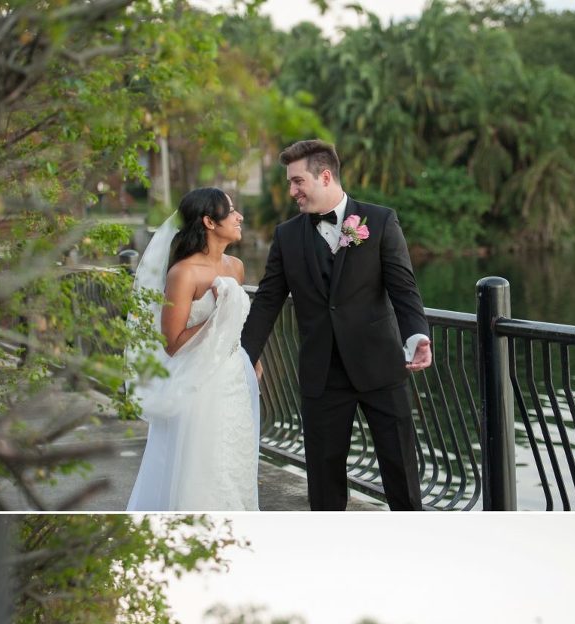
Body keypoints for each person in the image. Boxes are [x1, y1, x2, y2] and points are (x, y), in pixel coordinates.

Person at [241, 139, 431, 511]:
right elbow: (267, 300)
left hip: (380, 368)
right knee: (325, 487)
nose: (292, 191)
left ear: (324, 176)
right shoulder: (286, 236)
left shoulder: (379, 220)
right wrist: (243, 356)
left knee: (402, 476)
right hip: (321, 377)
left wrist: (418, 334)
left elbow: (403, 287)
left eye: (297, 182)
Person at [126, 187, 260, 511]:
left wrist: (254, 360)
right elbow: (172, 344)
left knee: (237, 463)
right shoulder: (183, 273)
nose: (239, 216)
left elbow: (234, 327)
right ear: (209, 222)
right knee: (204, 467)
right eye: (230, 211)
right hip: (200, 385)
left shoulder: (236, 267)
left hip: (235, 377)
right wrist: (218, 318)